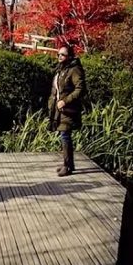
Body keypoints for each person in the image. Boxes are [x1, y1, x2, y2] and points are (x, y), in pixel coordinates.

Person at [47, 44, 86, 177]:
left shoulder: (74, 69)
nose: (60, 57)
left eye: (63, 54)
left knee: (65, 135)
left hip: (68, 108)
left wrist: (65, 101)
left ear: (69, 56)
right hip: (59, 109)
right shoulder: (61, 69)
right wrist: (52, 104)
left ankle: (67, 165)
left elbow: (80, 89)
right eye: (58, 54)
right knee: (63, 134)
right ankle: (69, 164)